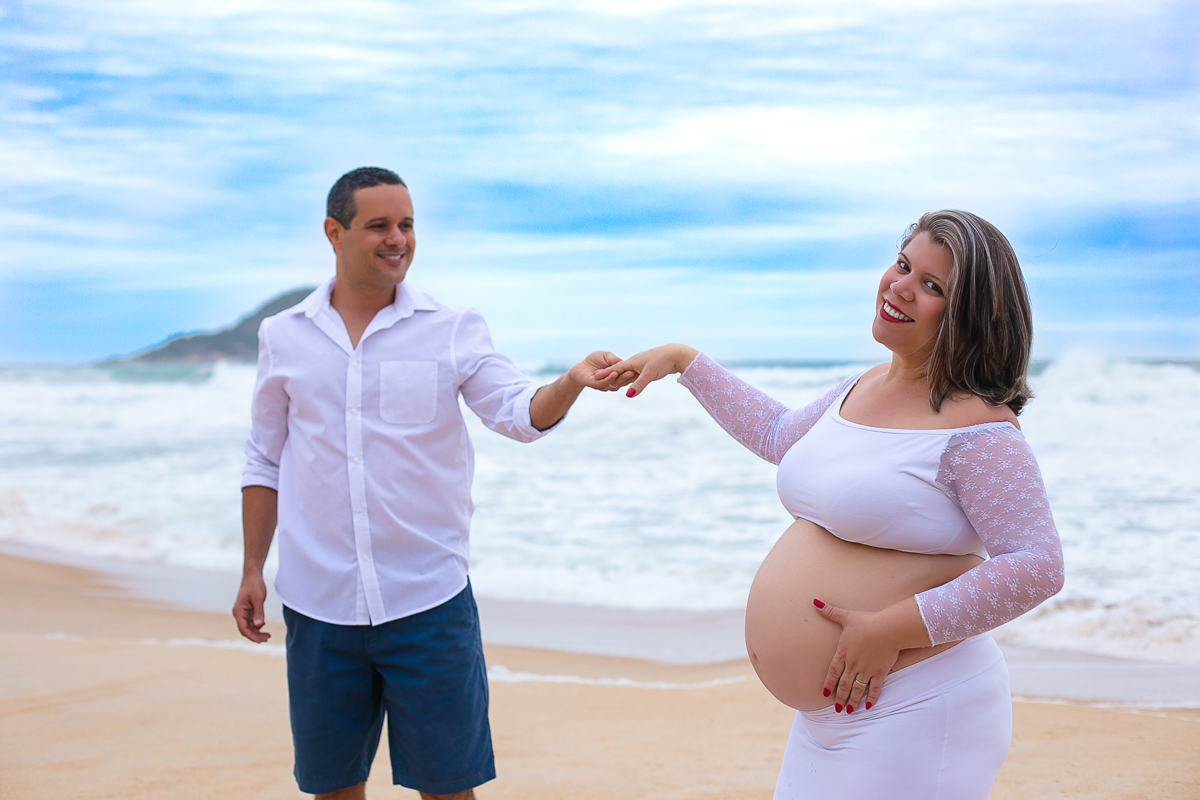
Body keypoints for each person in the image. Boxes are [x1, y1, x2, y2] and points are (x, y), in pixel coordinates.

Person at [594, 209, 1065, 799]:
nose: (899, 287)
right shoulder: (860, 386)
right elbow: (775, 434)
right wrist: (687, 363)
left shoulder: (981, 433)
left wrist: (891, 629)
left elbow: (1036, 566)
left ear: (969, 316)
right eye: (903, 265)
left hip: (917, 705)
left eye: (931, 285)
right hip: (833, 715)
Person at [232, 166, 631, 800]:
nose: (399, 239)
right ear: (334, 233)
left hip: (428, 601)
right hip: (318, 602)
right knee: (334, 789)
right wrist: (253, 568)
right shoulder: (283, 336)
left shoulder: (453, 328)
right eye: (379, 226)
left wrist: (570, 382)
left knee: (449, 790)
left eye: (408, 224)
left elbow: (517, 412)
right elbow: (264, 460)